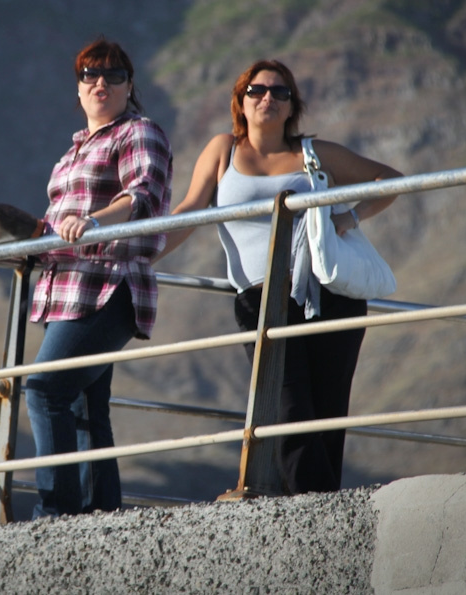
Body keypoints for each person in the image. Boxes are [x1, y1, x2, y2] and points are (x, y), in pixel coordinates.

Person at [158, 59, 402, 494]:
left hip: (329, 295)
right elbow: (190, 210)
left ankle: (320, 510)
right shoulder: (223, 150)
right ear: (241, 101)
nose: (267, 97)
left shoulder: (314, 153)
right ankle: (319, 507)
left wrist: (348, 217)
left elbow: (390, 179)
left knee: (327, 412)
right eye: (256, 90)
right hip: (261, 299)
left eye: (280, 91)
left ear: (292, 106)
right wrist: (143, 255)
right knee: (287, 407)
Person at [0, 37, 173, 517]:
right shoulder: (72, 153)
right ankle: (100, 517)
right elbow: (54, 228)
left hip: (109, 284)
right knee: (83, 409)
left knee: (44, 390)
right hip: (64, 291)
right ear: (78, 88)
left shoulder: (139, 132)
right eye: (89, 75)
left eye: (114, 75)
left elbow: (143, 194)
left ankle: (56, 515)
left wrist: (96, 220)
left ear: (129, 86)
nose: (101, 83)